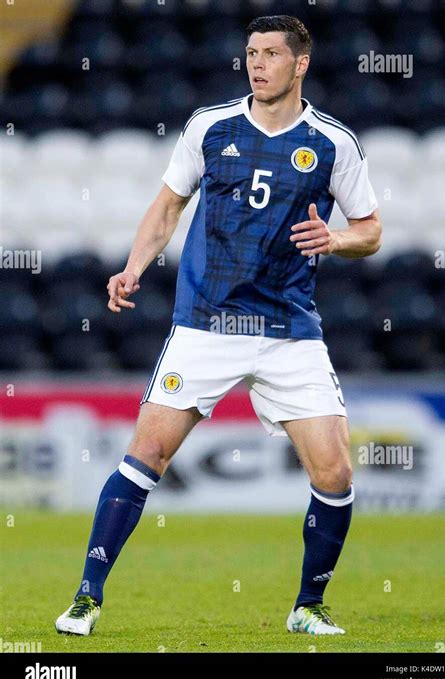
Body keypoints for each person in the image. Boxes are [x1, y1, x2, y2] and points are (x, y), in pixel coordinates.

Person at [55, 14, 381, 637]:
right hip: (206, 322)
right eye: (251, 53)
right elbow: (168, 206)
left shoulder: (334, 143)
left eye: (270, 54)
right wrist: (133, 268)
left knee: (335, 473)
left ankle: (307, 606)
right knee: (145, 455)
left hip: (288, 327)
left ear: (300, 63)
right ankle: (86, 598)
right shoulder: (210, 127)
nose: (257, 64)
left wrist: (337, 239)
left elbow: (371, 228)